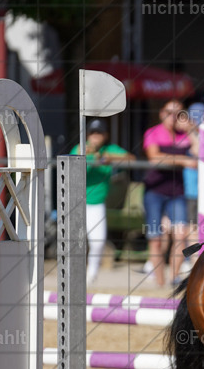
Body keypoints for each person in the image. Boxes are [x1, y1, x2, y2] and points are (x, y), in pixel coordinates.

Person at [70, 119, 135, 285]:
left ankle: (91, 276)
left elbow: (131, 159)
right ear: (87, 135)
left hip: (97, 203)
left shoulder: (109, 149)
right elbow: (70, 167)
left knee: (98, 241)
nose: (95, 136)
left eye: (99, 133)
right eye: (92, 133)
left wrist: (107, 157)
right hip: (76, 202)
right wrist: (85, 154)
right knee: (75, 242)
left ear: (105, 135)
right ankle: (73, 275)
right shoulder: (80, 147)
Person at [143, 99, 196, 287]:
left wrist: (191, 129)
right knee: (155, 240)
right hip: (155, 192)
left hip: (177, 192)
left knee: (181, 236)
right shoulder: (153, 132)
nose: (173, 117)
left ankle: (173, 281)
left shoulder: (183, 135)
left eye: (178, 113)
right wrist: (183, 160)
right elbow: (154, 157)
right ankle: (160, 284)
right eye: (169, 112)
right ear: (161, 113)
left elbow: (199, 152)